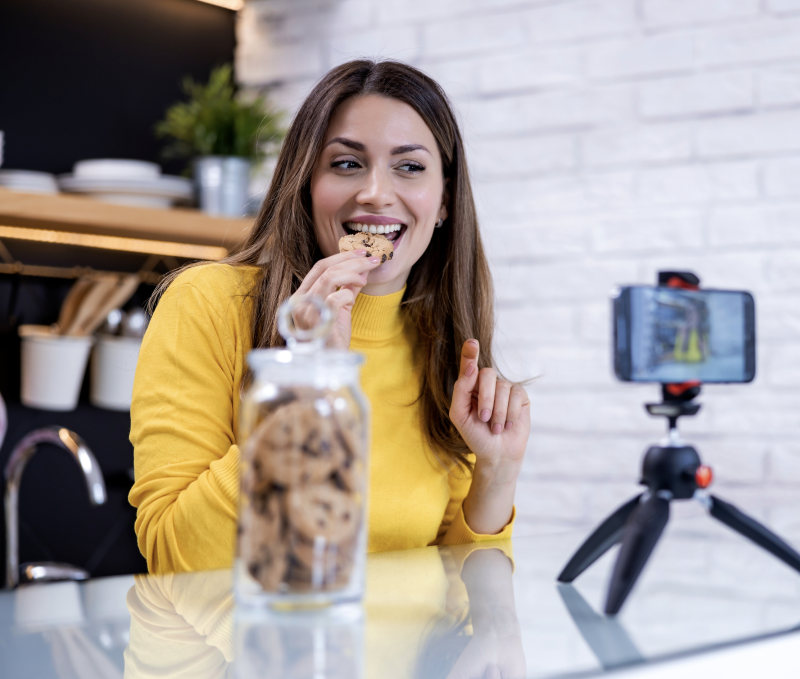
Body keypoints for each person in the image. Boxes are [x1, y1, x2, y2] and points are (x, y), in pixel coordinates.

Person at [129, 60, 529, 574]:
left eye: (409, 166)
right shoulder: (209, 303)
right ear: (306, 183)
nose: (375, 193)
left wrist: (497, 472)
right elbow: (173, 558)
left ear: (445, 199)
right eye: (346, 164)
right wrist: (304, 388)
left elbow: (453, 592)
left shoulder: (446, 342)